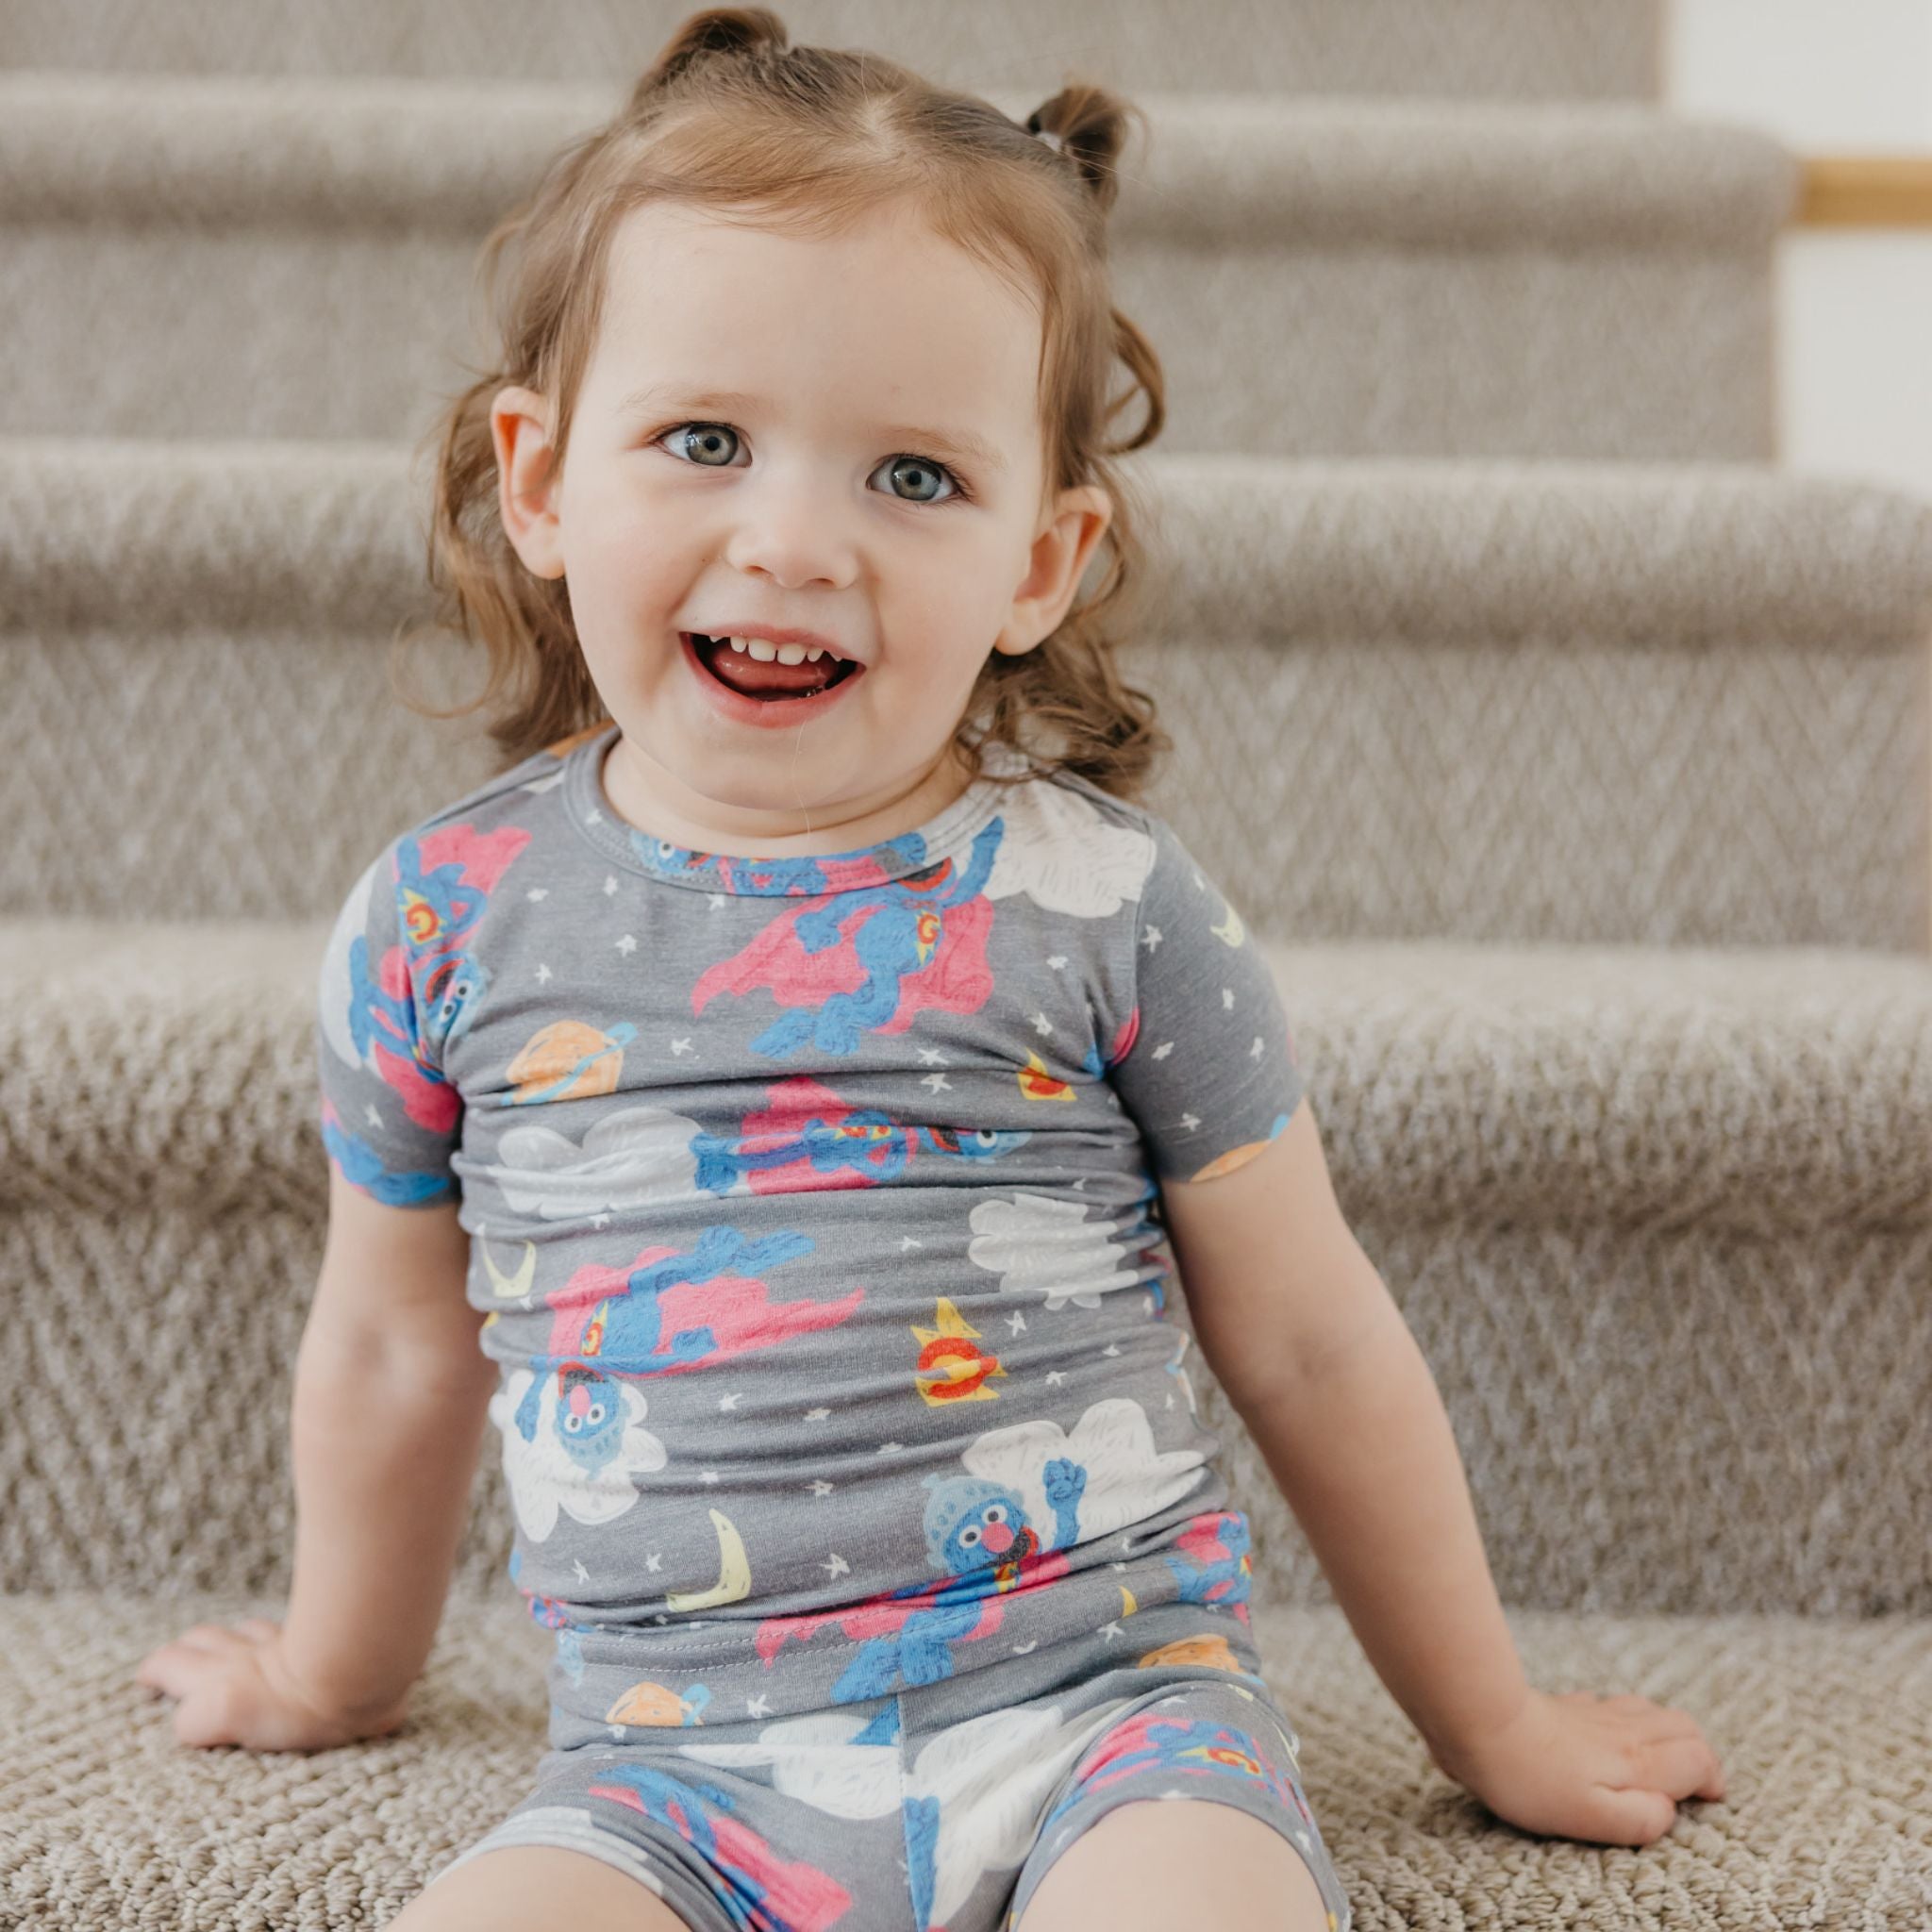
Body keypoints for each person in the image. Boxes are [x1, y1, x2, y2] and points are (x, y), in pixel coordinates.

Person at [130, 10, 1727, 1930]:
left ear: (1042, 557)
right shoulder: (438, 920)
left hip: (1112, 1720)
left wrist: (1497, 1725)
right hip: (669, 1772)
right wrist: (334, 1669)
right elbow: (395, 1343)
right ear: (539, 479)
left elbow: (1312, 1340)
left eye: (912, 475)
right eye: (704, 441)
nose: (795, 540)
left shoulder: (1108, 905)